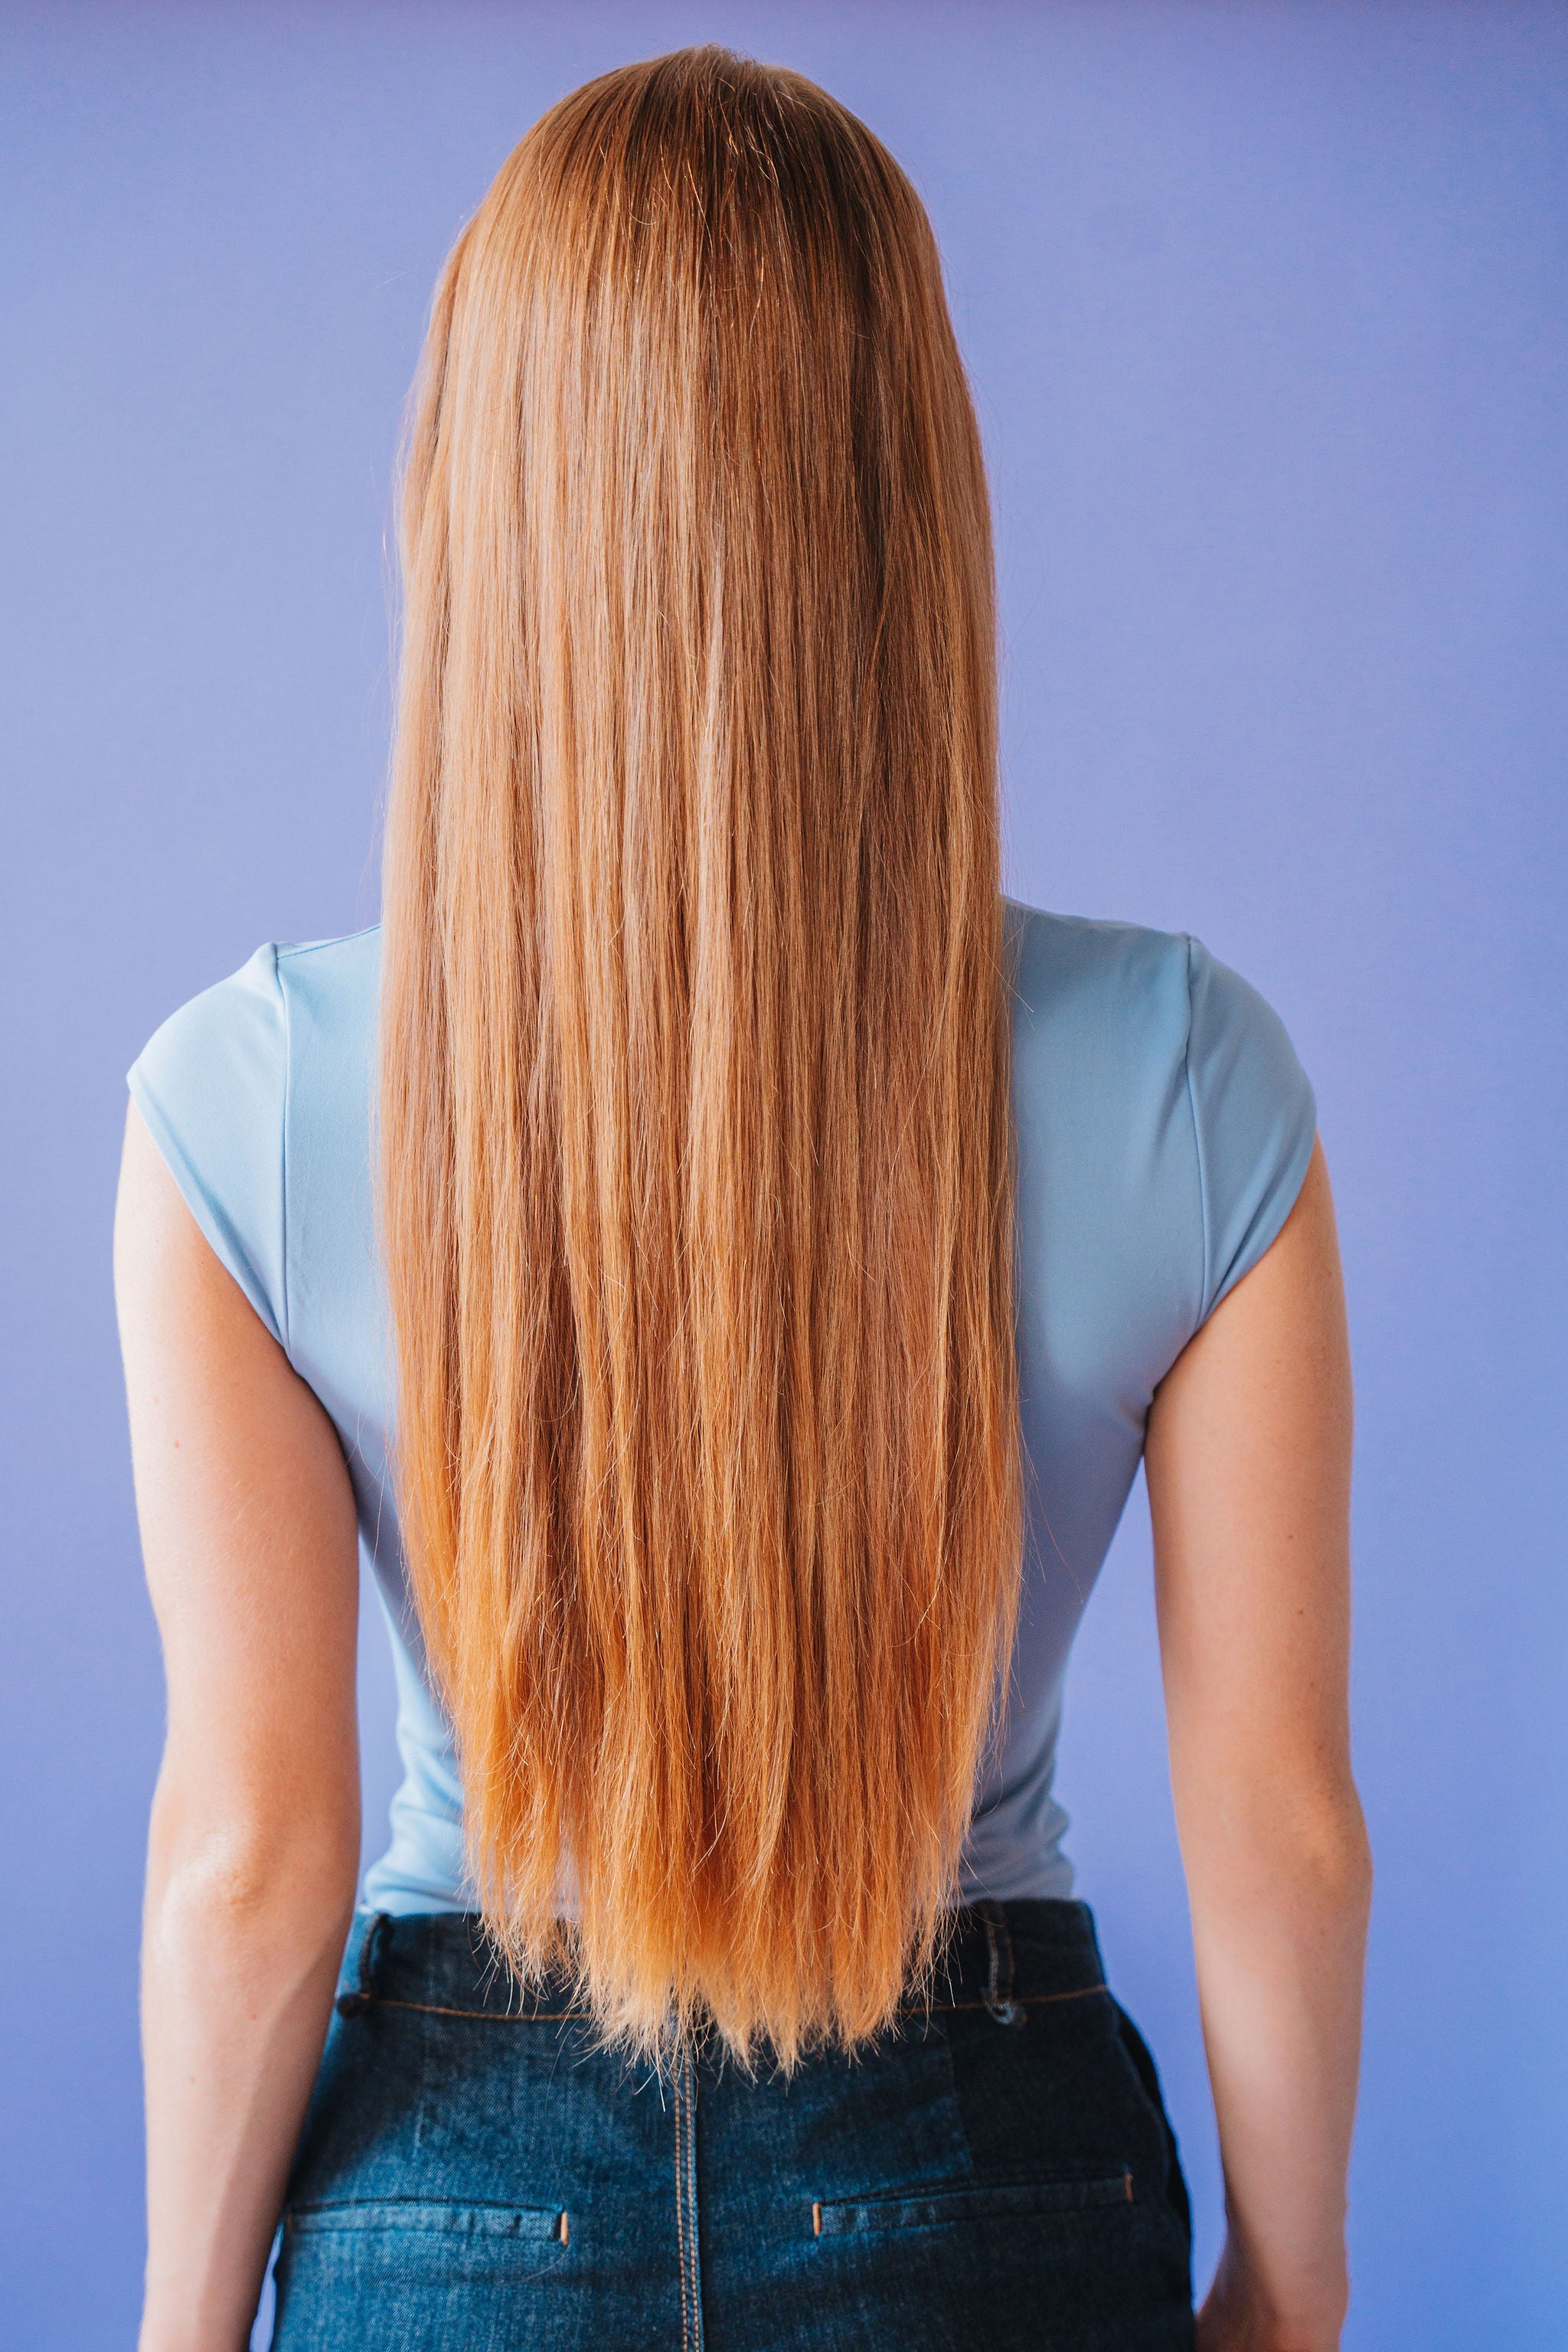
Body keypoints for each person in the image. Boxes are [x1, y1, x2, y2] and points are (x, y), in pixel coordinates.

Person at [115, 45, 1370, 2352]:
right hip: (987, 2172)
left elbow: (251, 1862)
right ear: (917, 500)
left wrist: (185, 2329)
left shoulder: (245, 1094)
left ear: (472, 492)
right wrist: (1291, 2282)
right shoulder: (1192, 1073)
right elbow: (1280, 1823)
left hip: (448, 2197)